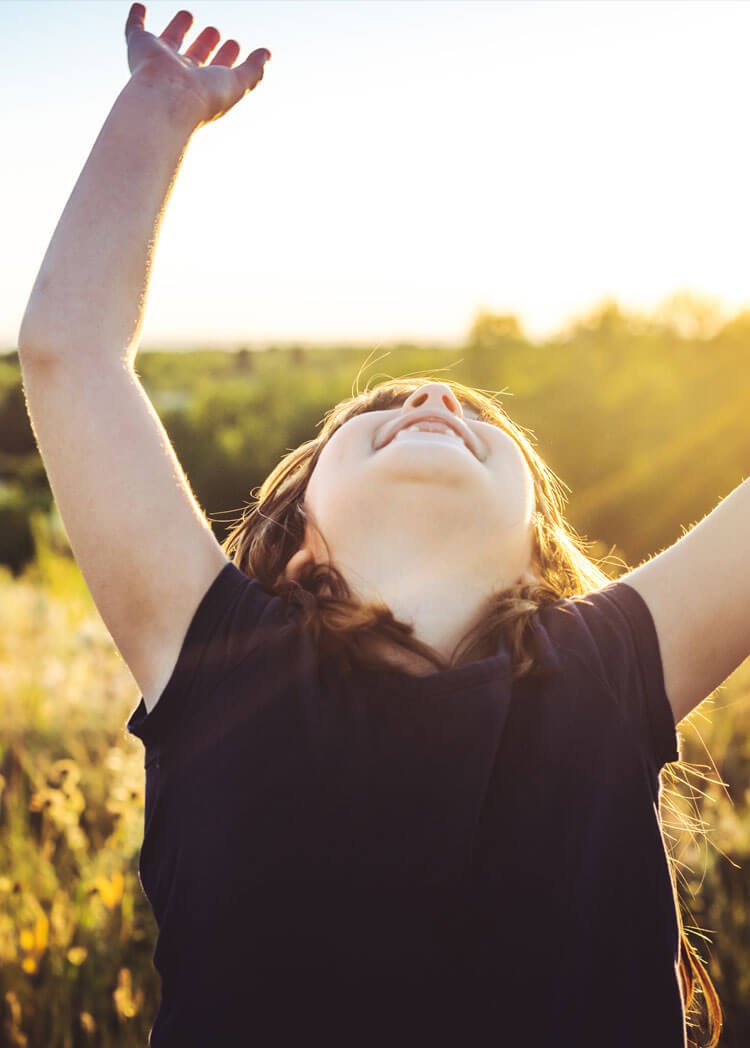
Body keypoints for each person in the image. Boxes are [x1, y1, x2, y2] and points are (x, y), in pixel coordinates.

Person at [19, 4, 745, 1045]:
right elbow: (68, 349)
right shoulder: (222, 659)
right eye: (376, 412)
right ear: (297, 532)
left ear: (540, 555)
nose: (436, 404)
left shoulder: (611, 665)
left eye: (476, 418)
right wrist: (157, 110)